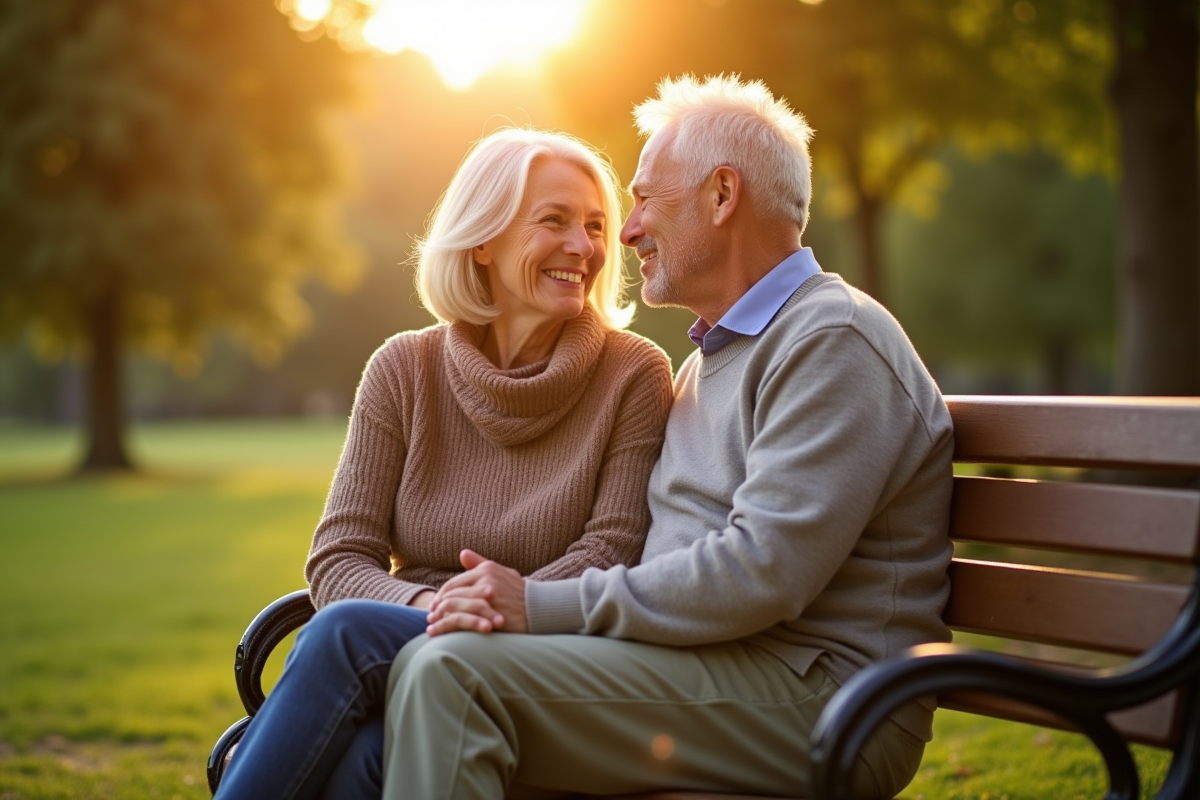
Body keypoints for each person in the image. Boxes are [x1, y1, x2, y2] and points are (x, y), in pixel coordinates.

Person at [381, 74, 955, 800]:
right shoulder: (710, 360)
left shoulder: (831, 337)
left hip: (825, 698)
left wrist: (537, 604)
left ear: (721, 195)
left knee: (451, 675)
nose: (625, 232)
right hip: (707, 669)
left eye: (646, 199)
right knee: (429, 670)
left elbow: (762, 571)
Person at [213, 127, 674, 800]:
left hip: (542, 652)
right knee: (367, 755)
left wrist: (494, 608)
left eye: (596, 226)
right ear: (483, 239)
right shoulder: (403, 368)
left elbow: (613, 550)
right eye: (555, 221)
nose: (585, 247)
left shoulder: (635, 374)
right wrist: (432, 607)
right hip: (411, 641)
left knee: (343, 635)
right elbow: (337, 558)